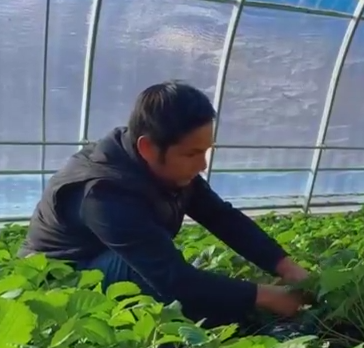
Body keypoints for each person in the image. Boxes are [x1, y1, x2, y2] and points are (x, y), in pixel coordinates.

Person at [18, 81, 310, 330]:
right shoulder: (101, 192)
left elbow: (221, 217)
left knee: (179, 277)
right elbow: (173, 278)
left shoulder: (161, 162)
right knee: (149, 273)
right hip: (59, 286)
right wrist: (268, 297)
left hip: (105, 263)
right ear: (148, 147)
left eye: (206, 151)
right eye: (192, 154)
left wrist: (286, 266)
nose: (202, 164)